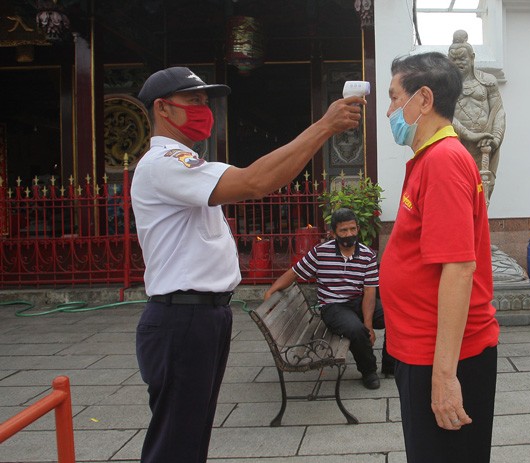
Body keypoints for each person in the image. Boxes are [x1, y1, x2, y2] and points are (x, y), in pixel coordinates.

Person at [131, 66, 363, 463]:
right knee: (176, 442)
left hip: (201, 316)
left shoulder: (186, 163)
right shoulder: (164, 163)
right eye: (193, 101)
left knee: (190, 437)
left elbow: (264, 180)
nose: (204, 109)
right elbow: (256, 182)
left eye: (206, 101)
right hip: (182, 318)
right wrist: (324, 127)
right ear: (162, 108)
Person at [380, 52, 500, 463]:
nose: (390, 111)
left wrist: (445, 376)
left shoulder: (444, 161)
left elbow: (459, 267)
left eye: (395, 98)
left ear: (424, 99)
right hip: (422, 346)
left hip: (443, 354)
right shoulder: (429, 159)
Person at [263, 207, 394, 389]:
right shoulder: (320, 252)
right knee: (356, 330)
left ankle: (390, 364)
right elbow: (294, 273)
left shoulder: (367, 255)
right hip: (333, 306)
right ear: (333, 233)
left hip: (358, 301)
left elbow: (370, 292)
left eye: (353, 229)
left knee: (395, 316)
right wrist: (271, 291)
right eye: (343, 230)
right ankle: (368, 371)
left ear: (357, 228)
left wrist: (369, 324)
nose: (349, 234)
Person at [447, 30, 505, 201]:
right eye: (453, 59)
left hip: (484, 146)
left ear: (472, 57)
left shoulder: (488, 81)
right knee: (458, 190)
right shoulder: (445, 86)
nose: (457, 63)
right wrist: (468, 135)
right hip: (458, 145)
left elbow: (498, 111)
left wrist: (495, 138)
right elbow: (445, 115)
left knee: (484, 190)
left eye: (462, 58)